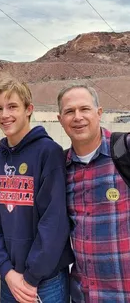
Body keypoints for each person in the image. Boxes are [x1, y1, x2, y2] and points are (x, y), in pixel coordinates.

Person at [0, 78, 74, 303]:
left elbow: (54, 221)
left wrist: (31, 277)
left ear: (29, 109)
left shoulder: (48, 153)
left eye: (12, 106)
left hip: (46, 281)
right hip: (10, 280)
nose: (5, 115)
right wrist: (7, 272)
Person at [57, 83, 130, 302]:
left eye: (84, 109)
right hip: (85, 295)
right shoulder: (60, 167)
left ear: (99, 113)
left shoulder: (124, 150)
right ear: (60, 119)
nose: (77, 117)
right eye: (69, 111)